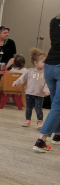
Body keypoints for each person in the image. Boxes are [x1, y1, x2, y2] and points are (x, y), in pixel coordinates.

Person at [33, 14, 60, 152]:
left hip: (49, 67)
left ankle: (57, 135)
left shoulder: (54, 20)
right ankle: (41, 141)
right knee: (58, 105)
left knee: (57, 103)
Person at [13, 49, 49, 128]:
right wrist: (16, 82)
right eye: (43, 62)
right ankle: (28, 120)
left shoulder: (45, 72)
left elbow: (47, 83)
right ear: (36, 63)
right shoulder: (29, 71)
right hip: (29, 93)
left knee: (38, 108)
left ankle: (40, 121)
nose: (45, 64)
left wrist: (46, 90)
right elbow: (22, 78)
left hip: (40, 94)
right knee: (28, 107)